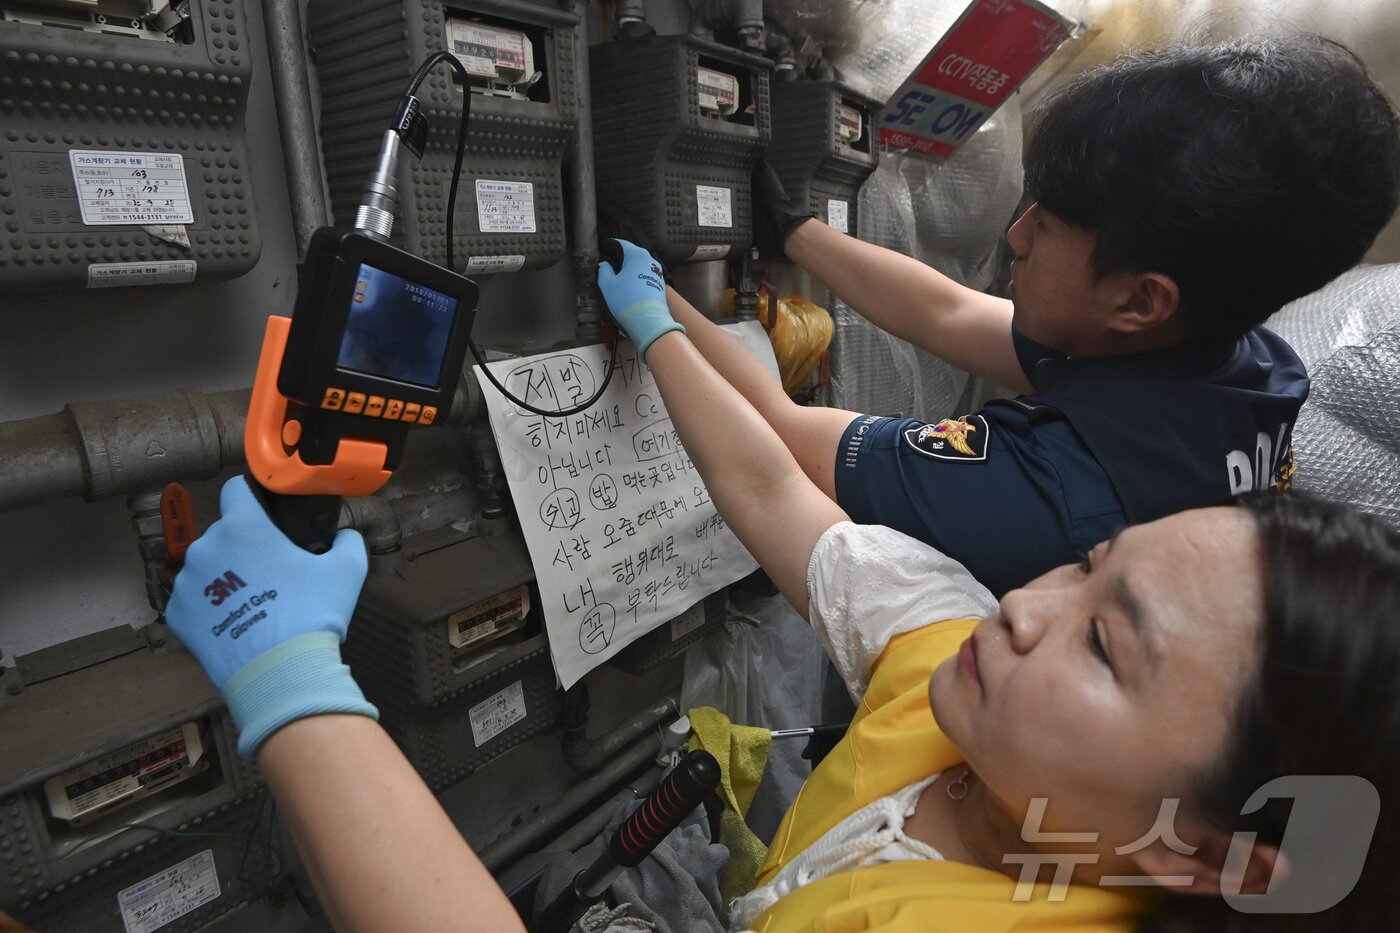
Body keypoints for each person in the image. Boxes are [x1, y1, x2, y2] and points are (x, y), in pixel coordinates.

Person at [151, 245, 1400, 933]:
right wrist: (658, 329)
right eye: (1087, 567)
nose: (1026, 609)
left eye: (1105, 650)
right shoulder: (963, 678)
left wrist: (288, 676)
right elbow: (773, 492)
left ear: (1215, 856)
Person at [661, 34, 1400, 595]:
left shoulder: (1048, 485)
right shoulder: (1233, 361)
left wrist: (653, 306)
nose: (1015, 236)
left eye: (1045, 227)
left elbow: (784, 437)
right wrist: (798, 233)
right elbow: (949, 311)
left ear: (1140, 301)